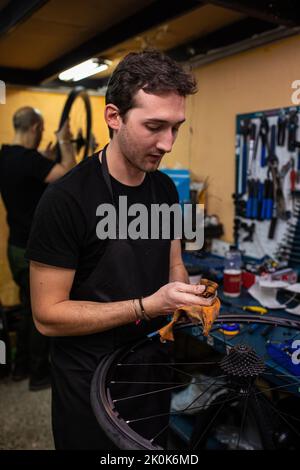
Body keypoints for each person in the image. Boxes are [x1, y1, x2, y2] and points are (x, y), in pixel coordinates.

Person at [26, 50, 214, 449]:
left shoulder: (164, 188)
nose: (167, 143)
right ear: (114, 117)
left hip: (149, 370)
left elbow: (174, 263)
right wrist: (147, 306)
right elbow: (47, 316)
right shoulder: (65, 200)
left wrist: (182, 295)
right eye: (154, 126)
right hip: (89, 379)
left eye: (176, 127)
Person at [0, 106, 76, 390]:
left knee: (26, 305)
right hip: (33, 249)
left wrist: (44, 157)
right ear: (34, 128)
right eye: (42, 129)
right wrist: (65, 141)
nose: (43, 133)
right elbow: (69, 172)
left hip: (14, 248)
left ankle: (20, 369)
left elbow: (31, 172)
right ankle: (39, 374)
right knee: (41, 315)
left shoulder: (6, 155)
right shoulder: (30, 161)